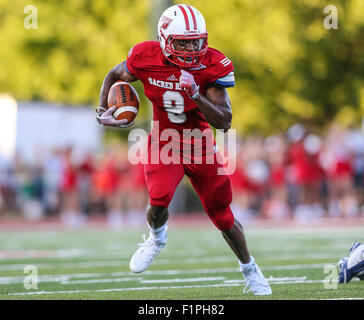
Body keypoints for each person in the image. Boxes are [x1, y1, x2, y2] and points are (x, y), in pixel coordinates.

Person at [96, 4, 271, 295]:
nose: (191, 48)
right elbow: (114, 75)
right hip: (163, 140)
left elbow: (225, 122)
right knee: (158, 201)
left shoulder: (212, 64)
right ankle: (156, 238)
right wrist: (105, 111)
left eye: (196, 41)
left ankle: (250, 268)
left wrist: (196, 95)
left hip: (199, 143)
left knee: (223, 216)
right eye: (183, 42)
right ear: (165, 39)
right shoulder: (144, 56)